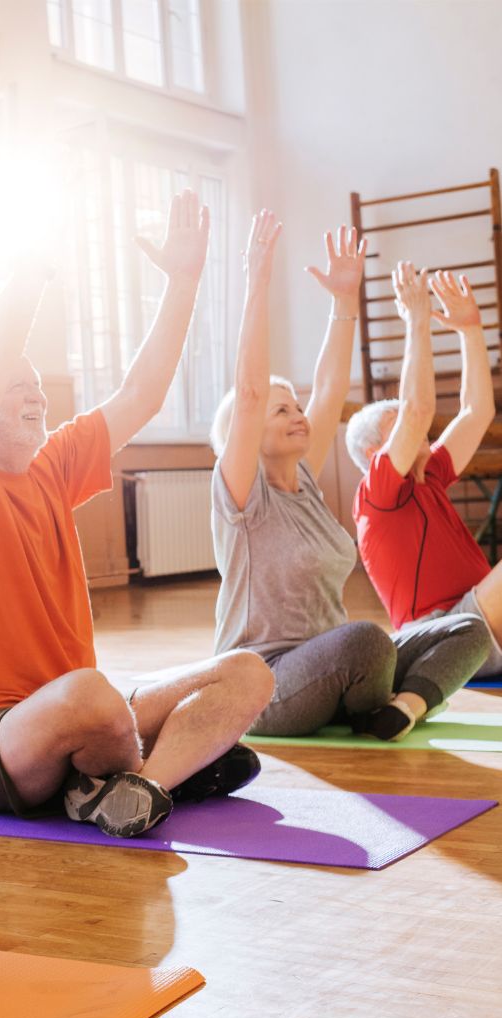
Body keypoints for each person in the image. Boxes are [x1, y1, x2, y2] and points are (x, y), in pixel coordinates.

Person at [0, 189, 274, 841]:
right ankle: (158, 767)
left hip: (84, 713)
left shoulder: (52, 465)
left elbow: (141, 392)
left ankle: (142, 786)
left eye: (38, 385)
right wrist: (31, 268)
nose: (37, 395)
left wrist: (183, 282)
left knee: (248, 673)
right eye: (18, 386)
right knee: (92, 696)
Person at [210, 213, 489, 741]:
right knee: (366, 640)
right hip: (266, 684)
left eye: (297, 407)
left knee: (467, 630)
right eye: (281, 410)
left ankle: (397, 709)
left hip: (333, 667)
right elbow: (249, 393)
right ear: (246, 432)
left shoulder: (305, 483)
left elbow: (329, 387)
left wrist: (344, 302)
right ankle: (375, 701)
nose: (299, 415)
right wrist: (258, 280)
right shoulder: (242, 497)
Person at [346, 264, 502, 677]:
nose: (413, 428)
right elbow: (417, 411)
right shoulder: (376, 494)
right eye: (395, 425)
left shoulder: (430, 474)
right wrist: (416, 320)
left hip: (480, 621)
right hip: (441, 636)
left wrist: (470, 330)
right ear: (376, 452)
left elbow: (477, 411)